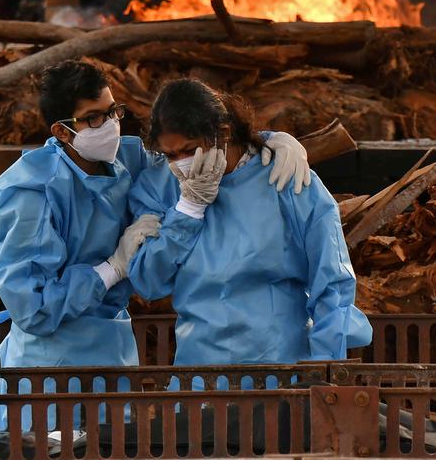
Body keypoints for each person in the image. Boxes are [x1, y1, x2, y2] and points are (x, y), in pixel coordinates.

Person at [0, 60, 314, 374]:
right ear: (62, 132)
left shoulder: (128, 157)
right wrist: (111, 270)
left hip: (114, 348)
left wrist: (269, 141)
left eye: (112, 112)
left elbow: (193, 148)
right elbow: (33, 309)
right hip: (47, 366)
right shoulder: (31, 193)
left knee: (112, 439)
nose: (109, 126)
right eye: (94, 119)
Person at [127, 79, 372, 366]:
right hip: (199, 376)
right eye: (170, 154)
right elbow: (148, 281)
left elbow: (332, 281)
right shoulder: (160, 186)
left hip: (281, 368)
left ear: (223, 134)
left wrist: (325, 364)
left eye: (190, 149)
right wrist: (187, 211)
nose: (181, 163)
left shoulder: (284, 177)